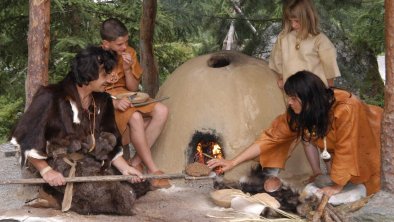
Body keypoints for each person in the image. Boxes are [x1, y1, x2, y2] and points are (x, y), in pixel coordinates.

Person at [11, 46, 150, 215]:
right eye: (105, 74)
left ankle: (66, 196)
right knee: (112, 198)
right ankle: (51, 194)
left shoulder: (103, 100)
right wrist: (46, 171)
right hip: (58, 162)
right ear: (88, 74)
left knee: (139, 182)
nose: (110, 79)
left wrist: (124, 168)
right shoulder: (50, 96)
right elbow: (25, 138)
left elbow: (108, 139)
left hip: (90, 160)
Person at [208, 71, 382, 197]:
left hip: (373, 143)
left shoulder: (346, 109)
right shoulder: (303, 111)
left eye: (293, 98)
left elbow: (348, 148)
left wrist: (336, 187)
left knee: (368, 182)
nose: (289, 103)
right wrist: (233, 162)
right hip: (350, 151)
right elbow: (271, 137)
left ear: (309, 99)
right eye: (288, 98)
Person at [269, 0, 341, 179]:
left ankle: (333, 172)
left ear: (308, 18)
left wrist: (329, 90)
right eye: (290, 21)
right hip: (296, 97)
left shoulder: (319, 39)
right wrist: (281, 77)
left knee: (323, 134)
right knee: (306, 136)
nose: (293, 25)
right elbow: (277, 60)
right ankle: (317, 172)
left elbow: (329, 65)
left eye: (297, 21)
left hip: (316, 95)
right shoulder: (284, 38)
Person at [100, 18, 170, 189]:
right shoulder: (97, 58)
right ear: (106, 44)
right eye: (119, 44)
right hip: (107, 100)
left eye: (126, 42)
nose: (124, 47)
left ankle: (136, 162)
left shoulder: (129, 53)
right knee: (137, 118)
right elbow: (93, 91)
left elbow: (131, 86)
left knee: (162, 110)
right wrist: (115, 102)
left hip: (128, 95)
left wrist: (126, 69)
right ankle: (153, 170)